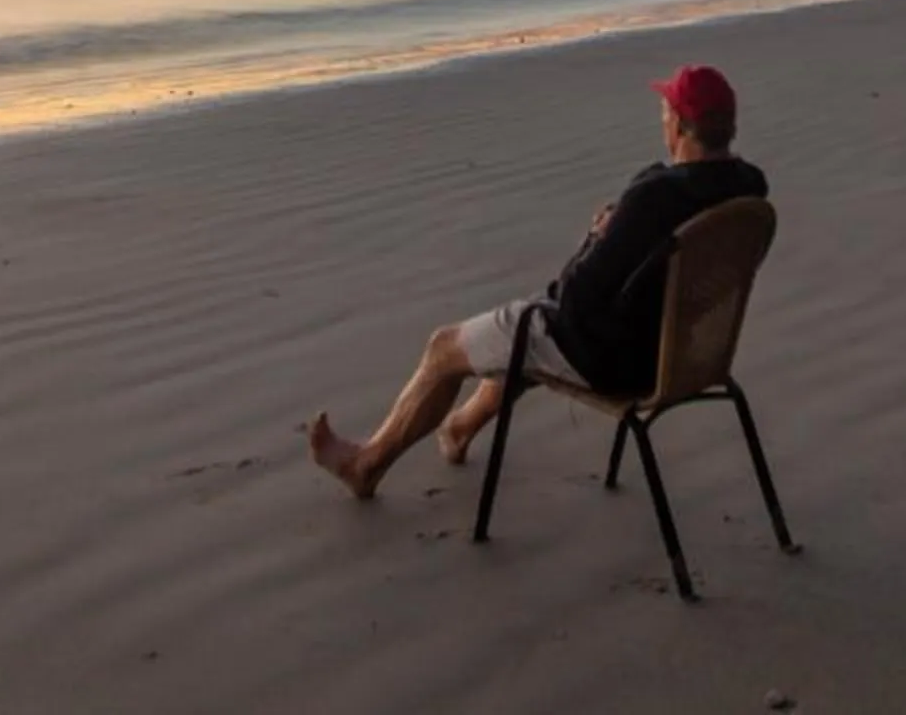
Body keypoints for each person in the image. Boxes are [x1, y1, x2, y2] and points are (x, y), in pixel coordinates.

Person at [307, 63, 768, 500]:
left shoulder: (654, 196)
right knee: (526, 328)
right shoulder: (748, 190)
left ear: (682, 127)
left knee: (447, 347)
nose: (662, 119)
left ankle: (366, 466)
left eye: (666, 111)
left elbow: (575, 298)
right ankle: (460, 427)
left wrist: (596, 238)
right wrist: (623, 234)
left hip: (612, 361)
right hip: (684, 356)